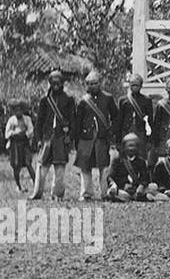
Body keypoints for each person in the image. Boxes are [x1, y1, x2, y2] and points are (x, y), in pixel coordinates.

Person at [72, 71, 118, 201]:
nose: (93, 86)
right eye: (90, 84)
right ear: (86, 85)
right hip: (85, 139)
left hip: (102, 138)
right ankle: (86, 194)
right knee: (85, 167)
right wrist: (77, 140)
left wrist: (110, 131)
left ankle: (105, 193)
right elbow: (78, 122)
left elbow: (115, 116)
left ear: (100, 83)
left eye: (95, 83)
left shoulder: (108, 98)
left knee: (103, 166)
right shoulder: (83, 101)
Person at [31, 70, 76, 200]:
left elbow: (73, 120)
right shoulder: (45, 101)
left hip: (61, 138)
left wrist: (70, 136)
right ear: (50, 83)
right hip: (46, 138)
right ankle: (37, 193)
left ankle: (57, 194)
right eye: (53, 82)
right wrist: (38, 139)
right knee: (41, 167)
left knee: (60, 169)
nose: (56, 84)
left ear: (62, 83)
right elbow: (39, 122)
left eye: (58, 81)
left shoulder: (68, 100)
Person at [106, 132, 150, 202]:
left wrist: (141, 186)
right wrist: (116, 185)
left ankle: (133, 197)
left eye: (133, 146)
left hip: (136, 189)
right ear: (124, 147)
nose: (131, 149)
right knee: (114, 193)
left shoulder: (141, 161)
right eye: (129, 146)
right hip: (121, 188)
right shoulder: (118, 160)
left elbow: (145, 178)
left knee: (152, 187)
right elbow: (110, 177)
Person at [116, 74, 154, 153]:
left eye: (137, 85)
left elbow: (150, 120)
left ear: (140, 86)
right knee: (125, 156)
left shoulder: (146, 100)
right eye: (132, 85)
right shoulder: (123, 100)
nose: (135, 87)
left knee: (141, 156)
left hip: (140, 132)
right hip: (126, 131)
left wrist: (150, 140)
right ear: (129, 86)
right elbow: (119, 121)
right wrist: (118, 140)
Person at [5, 99, 35, 193]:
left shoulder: (27, 119)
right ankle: (18, 186)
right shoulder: (11, 120)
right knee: (16, 166)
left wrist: (24, 134)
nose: (18, 112)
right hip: (15, 146)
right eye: (16, 110)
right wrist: (14, 133)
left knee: (28, 163)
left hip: (25, 144)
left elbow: (31, 130)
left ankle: (36, 184)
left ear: (23, 110)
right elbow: (7, 133)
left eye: (20, 110)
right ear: (14, 111)